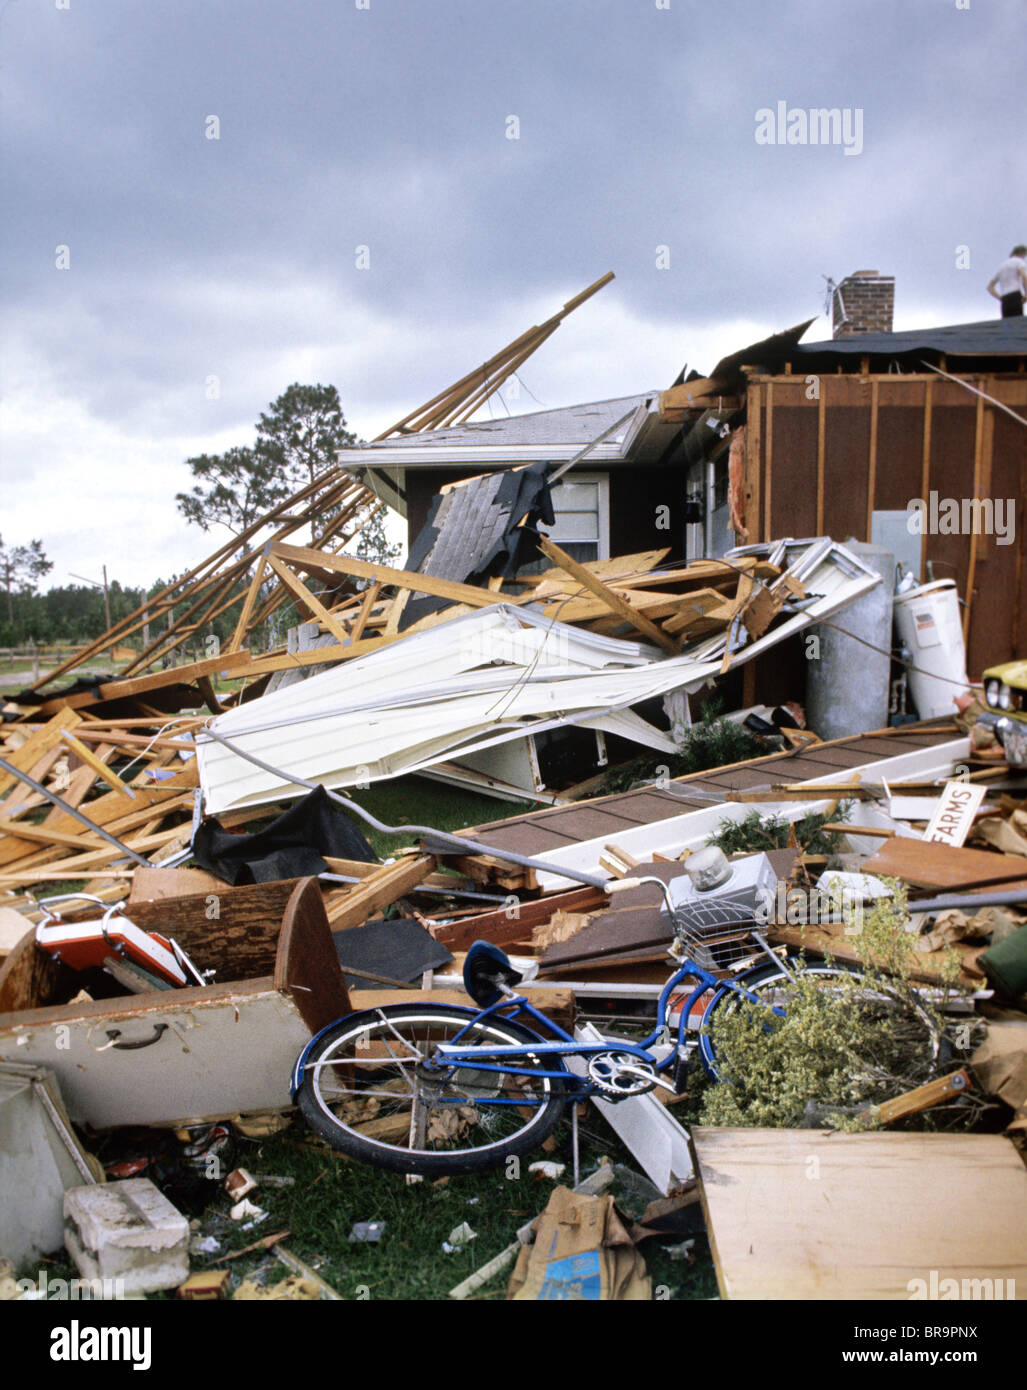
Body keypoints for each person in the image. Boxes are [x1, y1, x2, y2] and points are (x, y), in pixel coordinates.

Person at [987, 246, 1027, 318]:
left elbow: (990, 287)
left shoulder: (1001, 267)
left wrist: (1001, 298)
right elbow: (1024, 276)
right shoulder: (1019, 261)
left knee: (1007, 326)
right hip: (1015, 295)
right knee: (1017, 324)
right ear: (1022, 253)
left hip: (1005, 299)